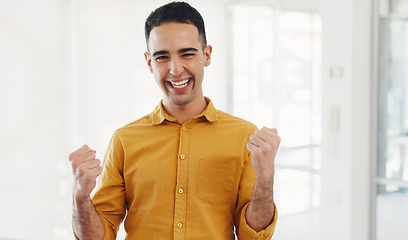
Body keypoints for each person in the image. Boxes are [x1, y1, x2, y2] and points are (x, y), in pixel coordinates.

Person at [68, 2, 281, 239]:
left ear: (207, 55)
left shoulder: (245, 137)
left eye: (187, 54)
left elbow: (252, 235)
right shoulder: (124, 140)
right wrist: (80, 197)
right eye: (162, 57)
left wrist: (266, 178)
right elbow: (98, 236)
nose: (175, 69)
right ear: (150, 63)